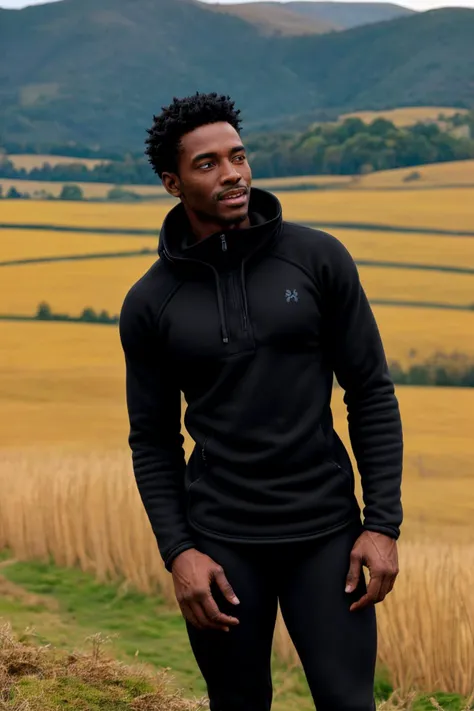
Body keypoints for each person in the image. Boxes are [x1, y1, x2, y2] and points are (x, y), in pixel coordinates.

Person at [119, 91, 403, 711]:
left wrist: (381, 525)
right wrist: (180, 553)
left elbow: (370, 392)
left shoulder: (317, 258)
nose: (233, 174)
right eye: (208, 164)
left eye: (238, 156)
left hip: (326, 533)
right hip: (221, 542)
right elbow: (154, 439)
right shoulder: (150, 304)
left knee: (350, 704)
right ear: (173, 183)